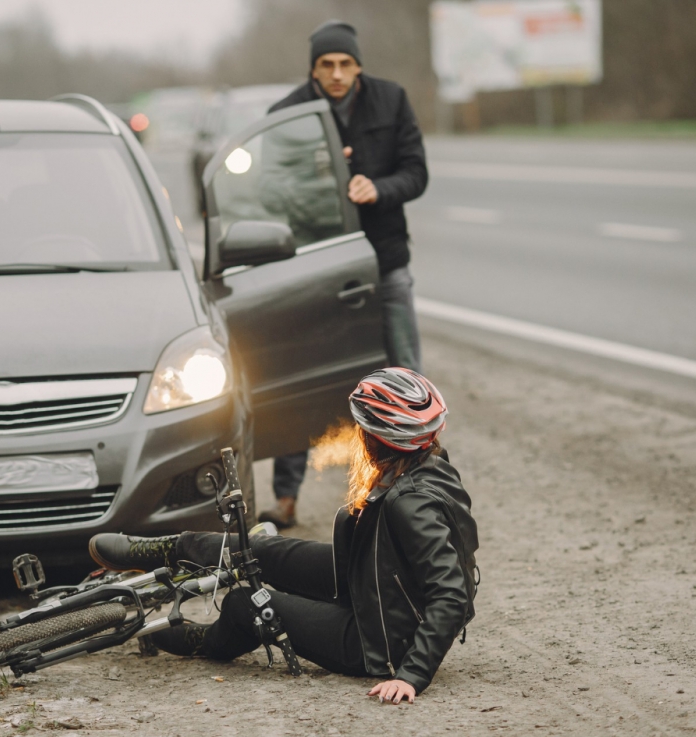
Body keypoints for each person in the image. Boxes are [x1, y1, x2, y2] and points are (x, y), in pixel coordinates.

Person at [89, 368, 478, 704]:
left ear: (381, 438)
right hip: (370, 585)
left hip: (377, 641)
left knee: (248, 603)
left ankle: (204, 641)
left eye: (363, 428)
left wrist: (410, 675)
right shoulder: (425, 465)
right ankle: (163, 549)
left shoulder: (412, 503)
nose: (358, 434)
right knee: (260, 548)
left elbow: (451, 592)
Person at [259, 21, 429, 528]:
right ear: (312, 69)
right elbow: (270, 192)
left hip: (384, 260)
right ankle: (285, 498)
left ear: (358, 66)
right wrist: (321, 181)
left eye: (345, 64)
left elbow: (416, 172)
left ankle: (417, 483)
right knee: (299, 377)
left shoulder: (391, 100)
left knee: (404, 373)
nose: (336, 74)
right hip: (314, 266)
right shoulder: (285, 115)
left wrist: (377, 188)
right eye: (326, 65)